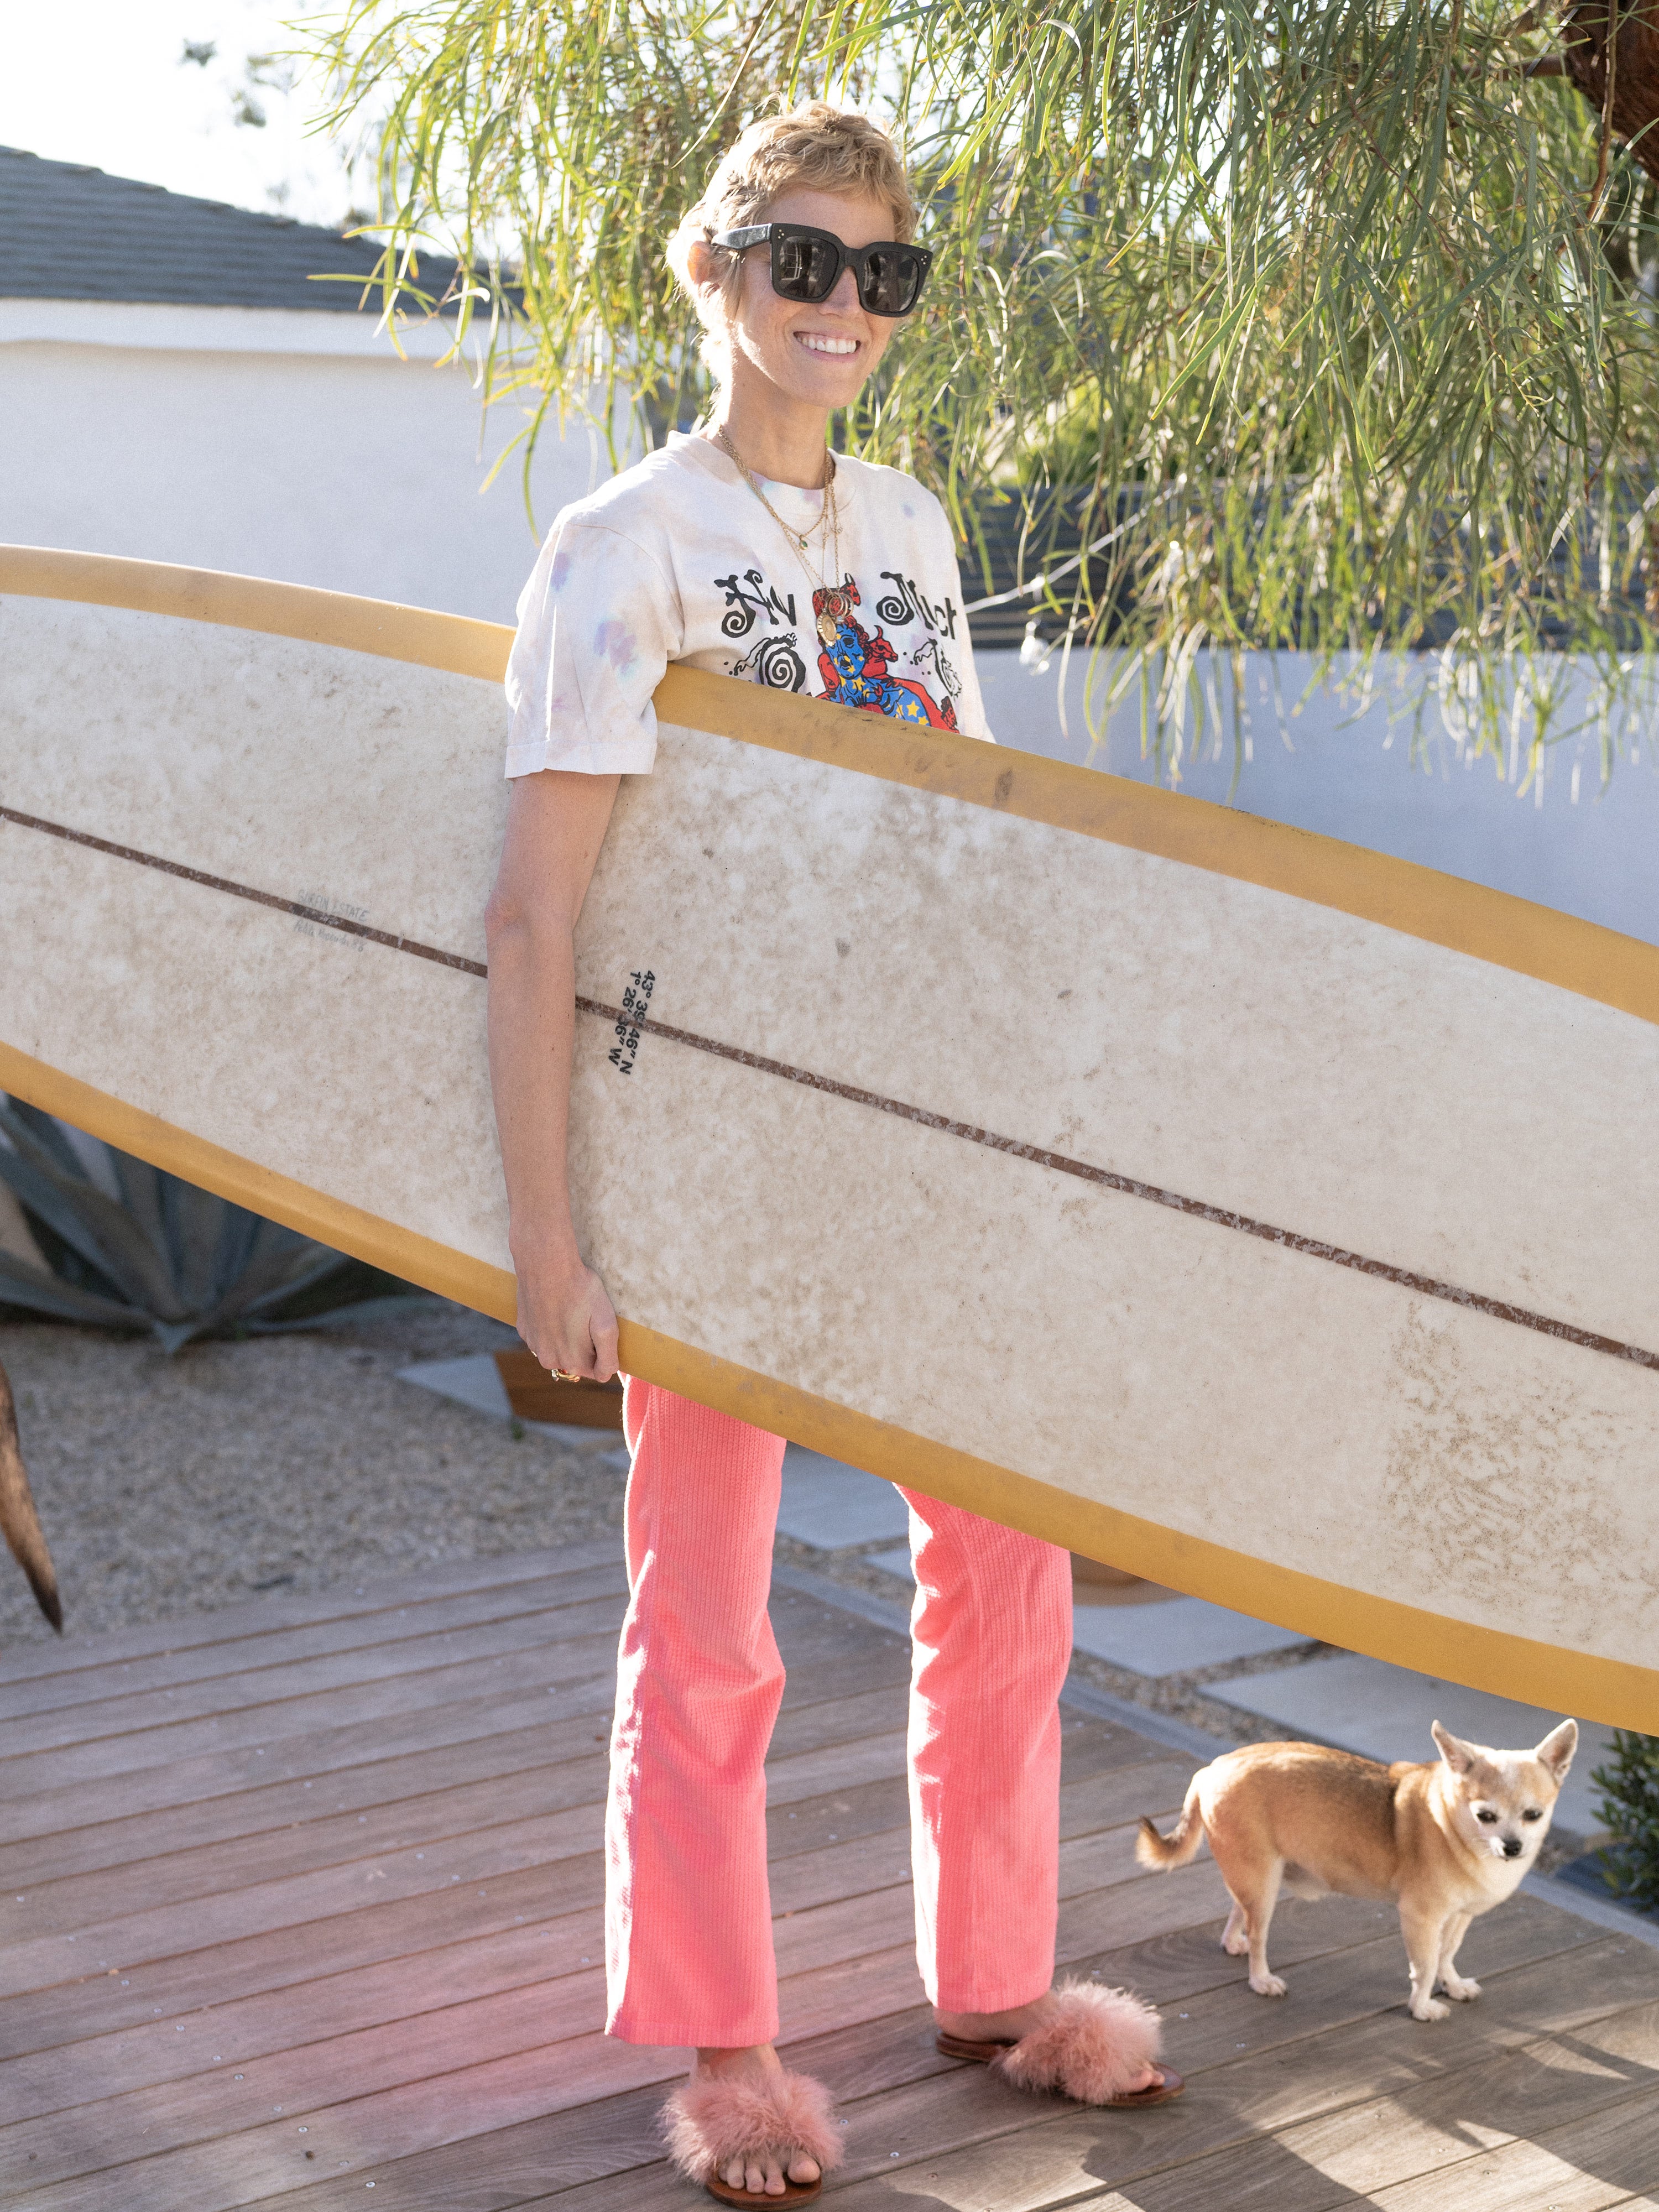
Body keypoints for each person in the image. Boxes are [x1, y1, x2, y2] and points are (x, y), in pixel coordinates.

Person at [487, 103, 1181, 2211]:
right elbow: (538, 919)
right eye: (806, 261)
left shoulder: (914, 528)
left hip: (917, 1141)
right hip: (707, 1157)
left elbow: (956, 836)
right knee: (704, 1616)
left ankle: (995, 1980)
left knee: (1012, 1566)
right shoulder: (622, 548)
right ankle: (735, 2051)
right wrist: (551, 1244)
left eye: (889, 271)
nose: (847, 308)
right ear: (717, 272)